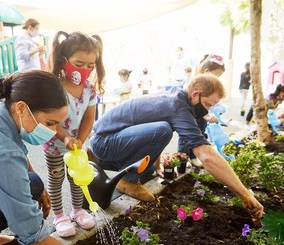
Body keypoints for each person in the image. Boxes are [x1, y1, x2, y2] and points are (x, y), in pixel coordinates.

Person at [89, 74, 264, 221]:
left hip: (109, 135)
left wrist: (155, 165)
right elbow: (206, 155)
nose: (208, 111)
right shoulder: (179, 108)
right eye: (208, 104)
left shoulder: (176, 96)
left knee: (161, 132)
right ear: (195, 94)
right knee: (163, 130)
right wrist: (244, 194)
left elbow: (145, 125)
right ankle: (128, 180)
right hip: (105, 141)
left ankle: (101, 159)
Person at [0, 71, 69, 245]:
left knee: (34, 183)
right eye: (50, 123)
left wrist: (37, 185)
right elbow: (34, 236)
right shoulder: (4, 154)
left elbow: (17, 153)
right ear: (22, 108)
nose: (54, 132)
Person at [44, 31, 105, 238]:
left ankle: (78, 210)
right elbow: (50, 119)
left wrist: (80, 138)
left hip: (76, 147)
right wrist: (65, 138)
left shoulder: (89, 89)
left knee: (79, 178)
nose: (85, 70)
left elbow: (89, 118)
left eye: (90, 65)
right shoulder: (54, 86)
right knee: (56, 179)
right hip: (54, 144)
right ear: (63, 60)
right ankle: (60, 216)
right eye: (79, 64)